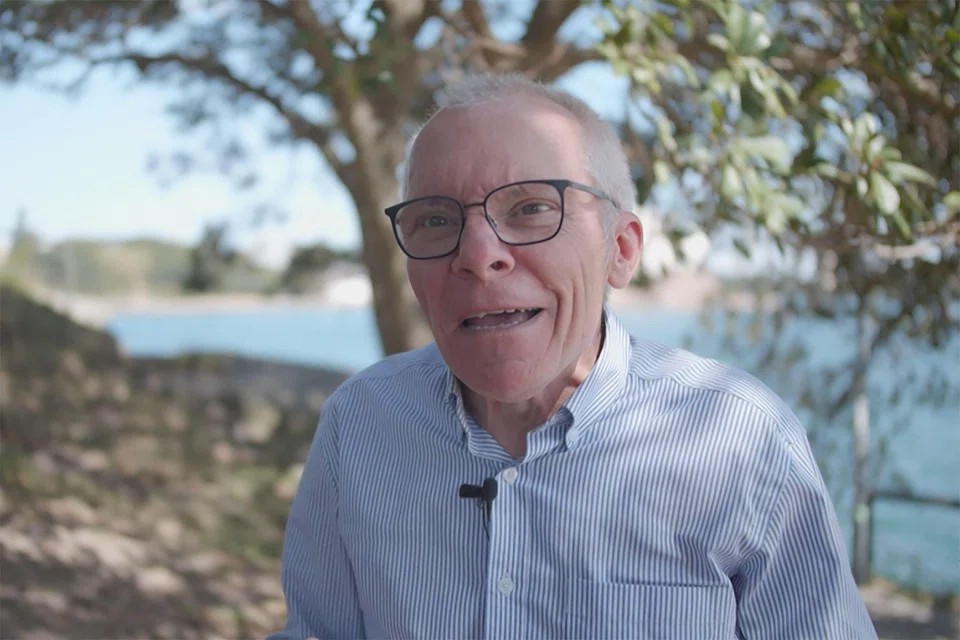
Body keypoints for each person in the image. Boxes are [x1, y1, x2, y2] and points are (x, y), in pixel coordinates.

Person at [267, 73, 878, 640]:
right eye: (434, 219)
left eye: (531, 208)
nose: (477, 255)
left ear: (621, 249)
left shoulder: (741, 439)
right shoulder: (360, 423)